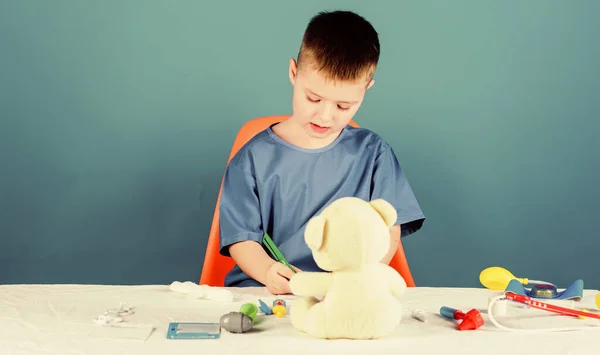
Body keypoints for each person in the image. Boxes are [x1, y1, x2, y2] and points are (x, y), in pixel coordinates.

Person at [218, 10, 425, 294]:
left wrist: (359, 276)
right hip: (269, 292)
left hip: (346, 293)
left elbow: (388, 229)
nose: (325, 116)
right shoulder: (251, 161)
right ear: (293, 73)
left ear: (366, 90)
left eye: (344, 106)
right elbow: (242, 239)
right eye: (313, 98)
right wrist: (268, 271)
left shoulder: (374, 154)